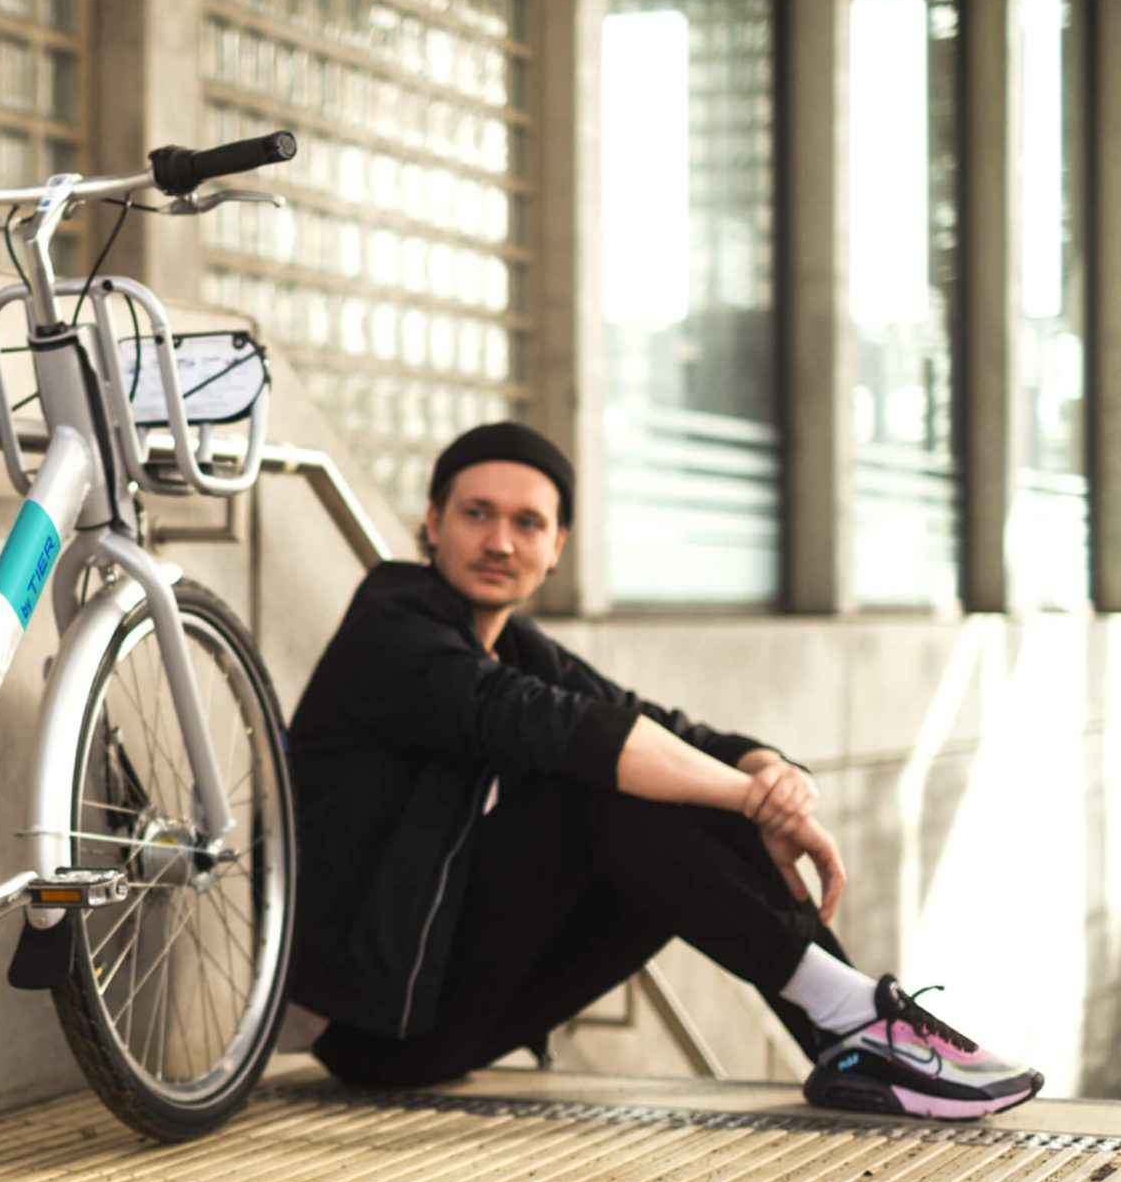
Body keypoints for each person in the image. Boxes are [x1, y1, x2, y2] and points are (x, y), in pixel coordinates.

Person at [286, 421, 1041, 1120]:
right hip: (369, 1030)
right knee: (597, 796)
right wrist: (753, 799)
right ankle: (864, 1021)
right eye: (476, 514)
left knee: (683, 786)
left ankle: (854, 1041)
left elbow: (671, 730)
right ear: (433, 523)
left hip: (453, 1008)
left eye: (528, 524)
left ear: (557, 547)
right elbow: (570, 733)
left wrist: (774, 774)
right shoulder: (392, 619)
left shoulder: (520, 648)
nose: (500, 541)